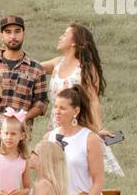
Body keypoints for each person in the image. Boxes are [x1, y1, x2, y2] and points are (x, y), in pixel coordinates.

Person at [42, 22, 122, 177]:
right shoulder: (57, 63)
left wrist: (98, 129)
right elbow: (31, 67)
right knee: (54, 173)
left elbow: (93, 101)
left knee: (76, 170)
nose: (60, 37)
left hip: (78, 124)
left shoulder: (86, 68)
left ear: (74, 42)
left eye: (65, 34)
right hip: (56, 124)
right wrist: (4, 55)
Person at [0, 16, 49, 138]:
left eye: (17, 31)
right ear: (1, 36)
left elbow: (41, 102)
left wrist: (23, 117)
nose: (13, 36)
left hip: (20, 135)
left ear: (23, 34)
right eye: (8, 32)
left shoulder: (36, 69)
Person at [49, 86, 105, 195]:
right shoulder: (49, 137)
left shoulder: (90, 139)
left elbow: (98, 181)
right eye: (56, 107)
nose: (57, 111)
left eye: (62, 108)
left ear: (76, 111)